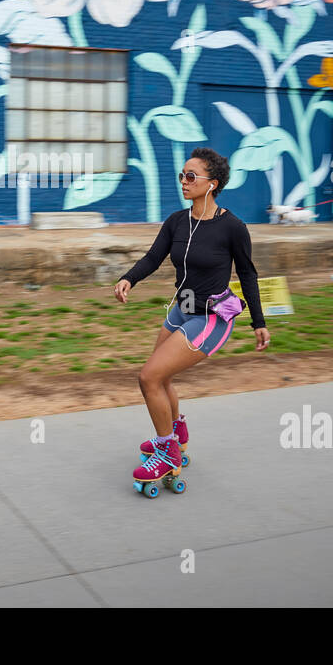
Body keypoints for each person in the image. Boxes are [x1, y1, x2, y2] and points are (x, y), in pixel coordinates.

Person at [113, 147, 271, 491]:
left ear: (211, 184)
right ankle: (175, 432)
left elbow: (247, 274)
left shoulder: (233, 227)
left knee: (149, 377)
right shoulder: (175, 221)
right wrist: (129, 278)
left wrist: (259, 322)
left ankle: (168, 451)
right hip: (181, 308)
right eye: (182, 175)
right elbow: (153, 257)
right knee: (161, 376)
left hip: (211, 317)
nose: (184, 182)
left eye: (191, 176)